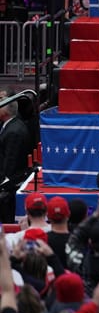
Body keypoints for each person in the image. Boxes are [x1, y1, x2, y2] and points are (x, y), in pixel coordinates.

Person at [0, 90, 31, 223]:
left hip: (9, 187)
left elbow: (10, 163)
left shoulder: (14, 131)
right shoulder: (9, 126)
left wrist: (2, 185)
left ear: (5, 111)